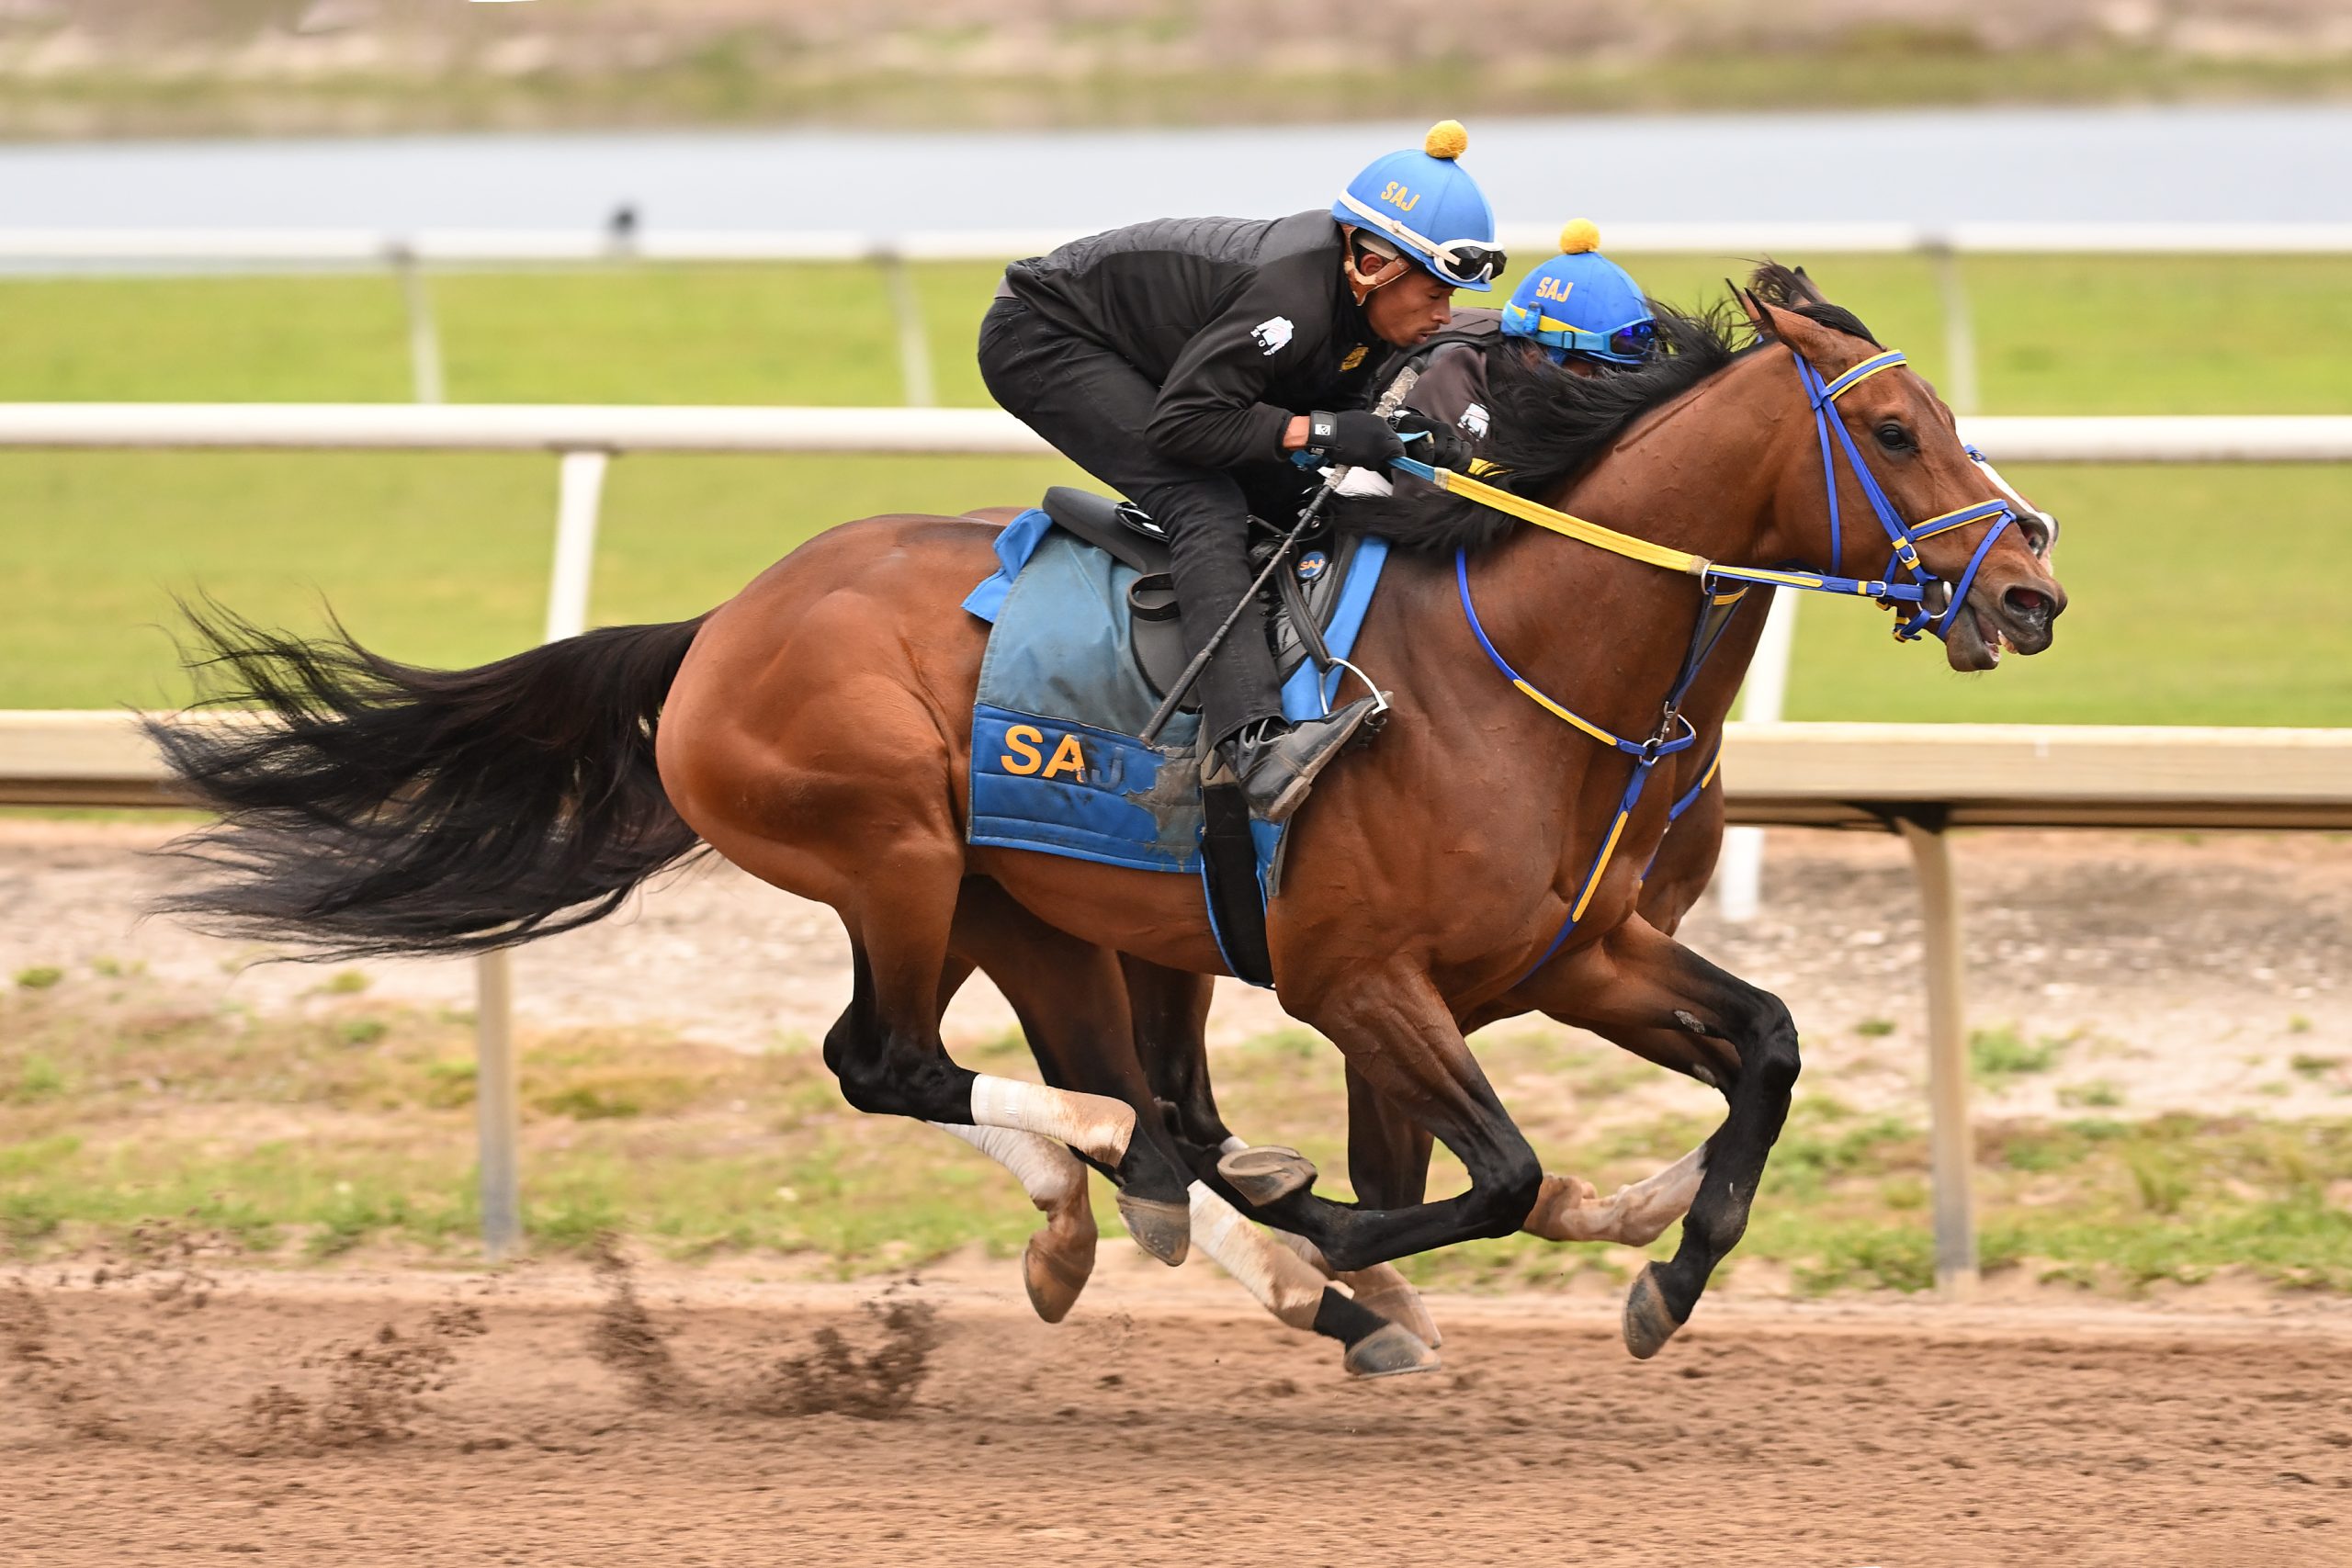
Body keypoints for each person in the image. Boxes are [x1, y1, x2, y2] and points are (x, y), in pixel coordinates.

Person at [978, 121, 1500, 825]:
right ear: (1374, 264)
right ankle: (1250, 743)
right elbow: (1185, 425)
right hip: (1044, 335)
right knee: (1204, 502)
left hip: (1158, 361)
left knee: (1303, 493)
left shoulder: (1364, 311)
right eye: (1434, 294)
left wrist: (1393, 440)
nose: (1445, 316)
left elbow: (1322, 420)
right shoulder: (1290, 294)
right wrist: (1320, 431)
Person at [1372, 220, 1659, 476]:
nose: (1611, 389)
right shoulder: (1455, 375)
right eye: (1597, 372)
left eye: (1623, 374)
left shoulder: (1529, 362)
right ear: (1536, 355)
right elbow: (1425, 510)